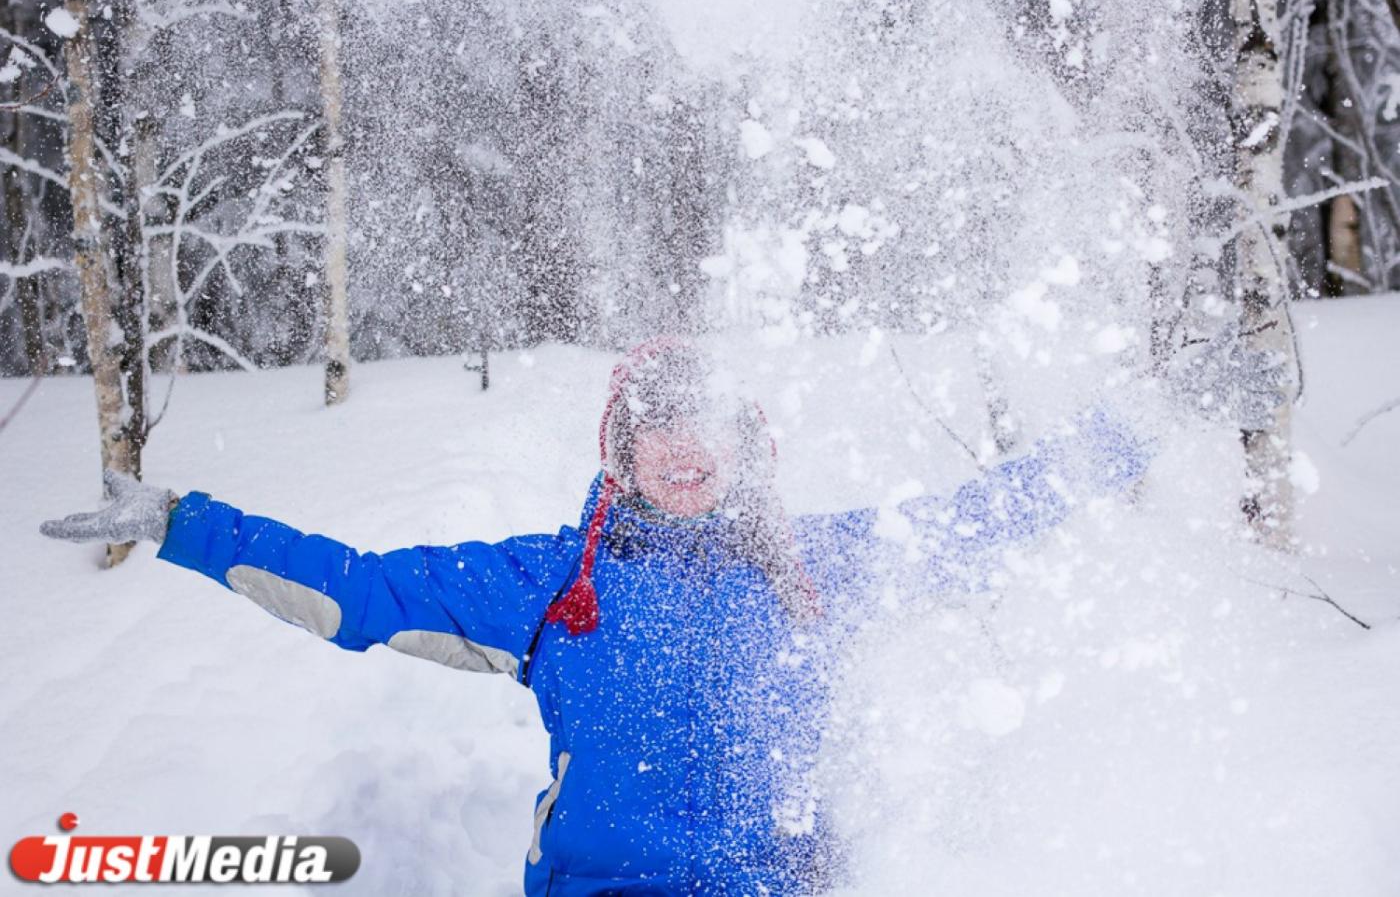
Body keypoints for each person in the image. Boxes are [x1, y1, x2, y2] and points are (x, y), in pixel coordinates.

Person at [41, 337, 1152, 895]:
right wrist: (184, 523)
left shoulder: (815, 565)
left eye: (704, 424)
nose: (683, 448)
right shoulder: (551, 585)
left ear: (744, 444)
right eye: (657, 426)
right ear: (621, 449)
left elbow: (975, 519)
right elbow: (361, 589)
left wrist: (1143, 430)